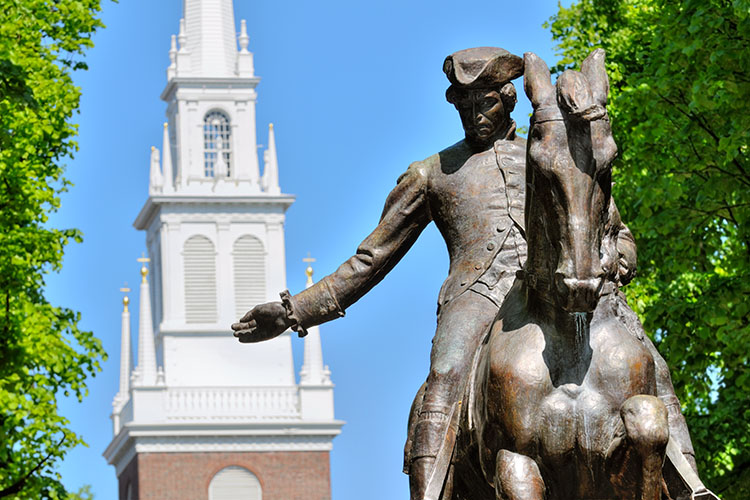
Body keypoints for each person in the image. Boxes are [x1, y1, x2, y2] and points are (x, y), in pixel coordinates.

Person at [231, 47, 696, 500]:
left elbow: (610, 223)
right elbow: (371, 259)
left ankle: (689, 483)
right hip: (478, 297)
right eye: (464, 104)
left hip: (560, 283)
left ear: (508, 97)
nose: (475, 113)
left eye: (485, 102)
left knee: (646, 359)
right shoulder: (430, 174)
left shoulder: (549, 149)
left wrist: (621, 256)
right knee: (445, 378)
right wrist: (296, 312)